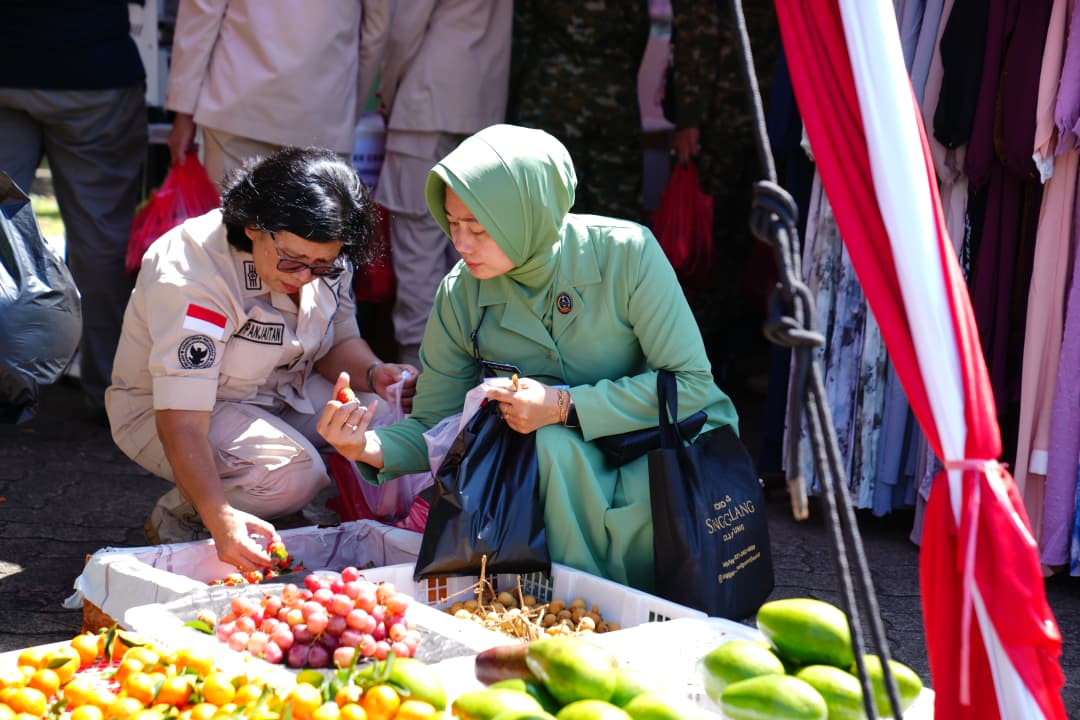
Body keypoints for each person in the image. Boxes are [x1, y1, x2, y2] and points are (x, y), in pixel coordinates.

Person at [317, 125, 738, 591]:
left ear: (528, 214)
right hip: (557, 476)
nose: (462, 243)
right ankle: (576, 602)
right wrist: (366, 447)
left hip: (660, 457)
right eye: (453, 224)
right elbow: (436, 426)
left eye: (478, 228)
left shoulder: (626, 254)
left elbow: (692, 384)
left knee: (549, 443)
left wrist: (563, 406)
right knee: (539, 445)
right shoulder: (462, 293)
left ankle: (604, 594)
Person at [106, 147, 418, 571]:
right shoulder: (192, 273)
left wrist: (374, 372)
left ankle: (260, 501)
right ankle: (188, 514)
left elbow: (336, 339)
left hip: (281, 389)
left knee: (380, 420)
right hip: (174, 409)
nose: (305, 277)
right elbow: (181, 419)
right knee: (294, 476)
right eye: (291, 261)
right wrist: (219, 518)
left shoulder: (323, 246)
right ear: (254, 226)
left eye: (321, 266)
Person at [0, 0, 147, 417]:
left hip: (6, 63)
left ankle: (10, 379)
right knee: (102, 240)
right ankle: (111, 391)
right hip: (94, 69)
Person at [367, 0, 513, 369]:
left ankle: (420, 384)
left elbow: (402, 31)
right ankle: (471, 379)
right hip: (481, 109)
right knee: (473, 252)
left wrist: (386, 83)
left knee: (420, 251)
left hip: (425, 101)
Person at [164, 0, 389, 185]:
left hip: (237, 103)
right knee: (311, 235)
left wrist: (183, 111)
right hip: (322, 110)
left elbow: (202, 13)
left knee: (233, 233)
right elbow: (376, 30)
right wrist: (349, 107)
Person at [509, 0, 651, 223]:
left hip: (550, 99)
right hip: (612, 98)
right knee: (616, 213)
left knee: (550, 209)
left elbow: (521, 34)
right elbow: (639, 31)